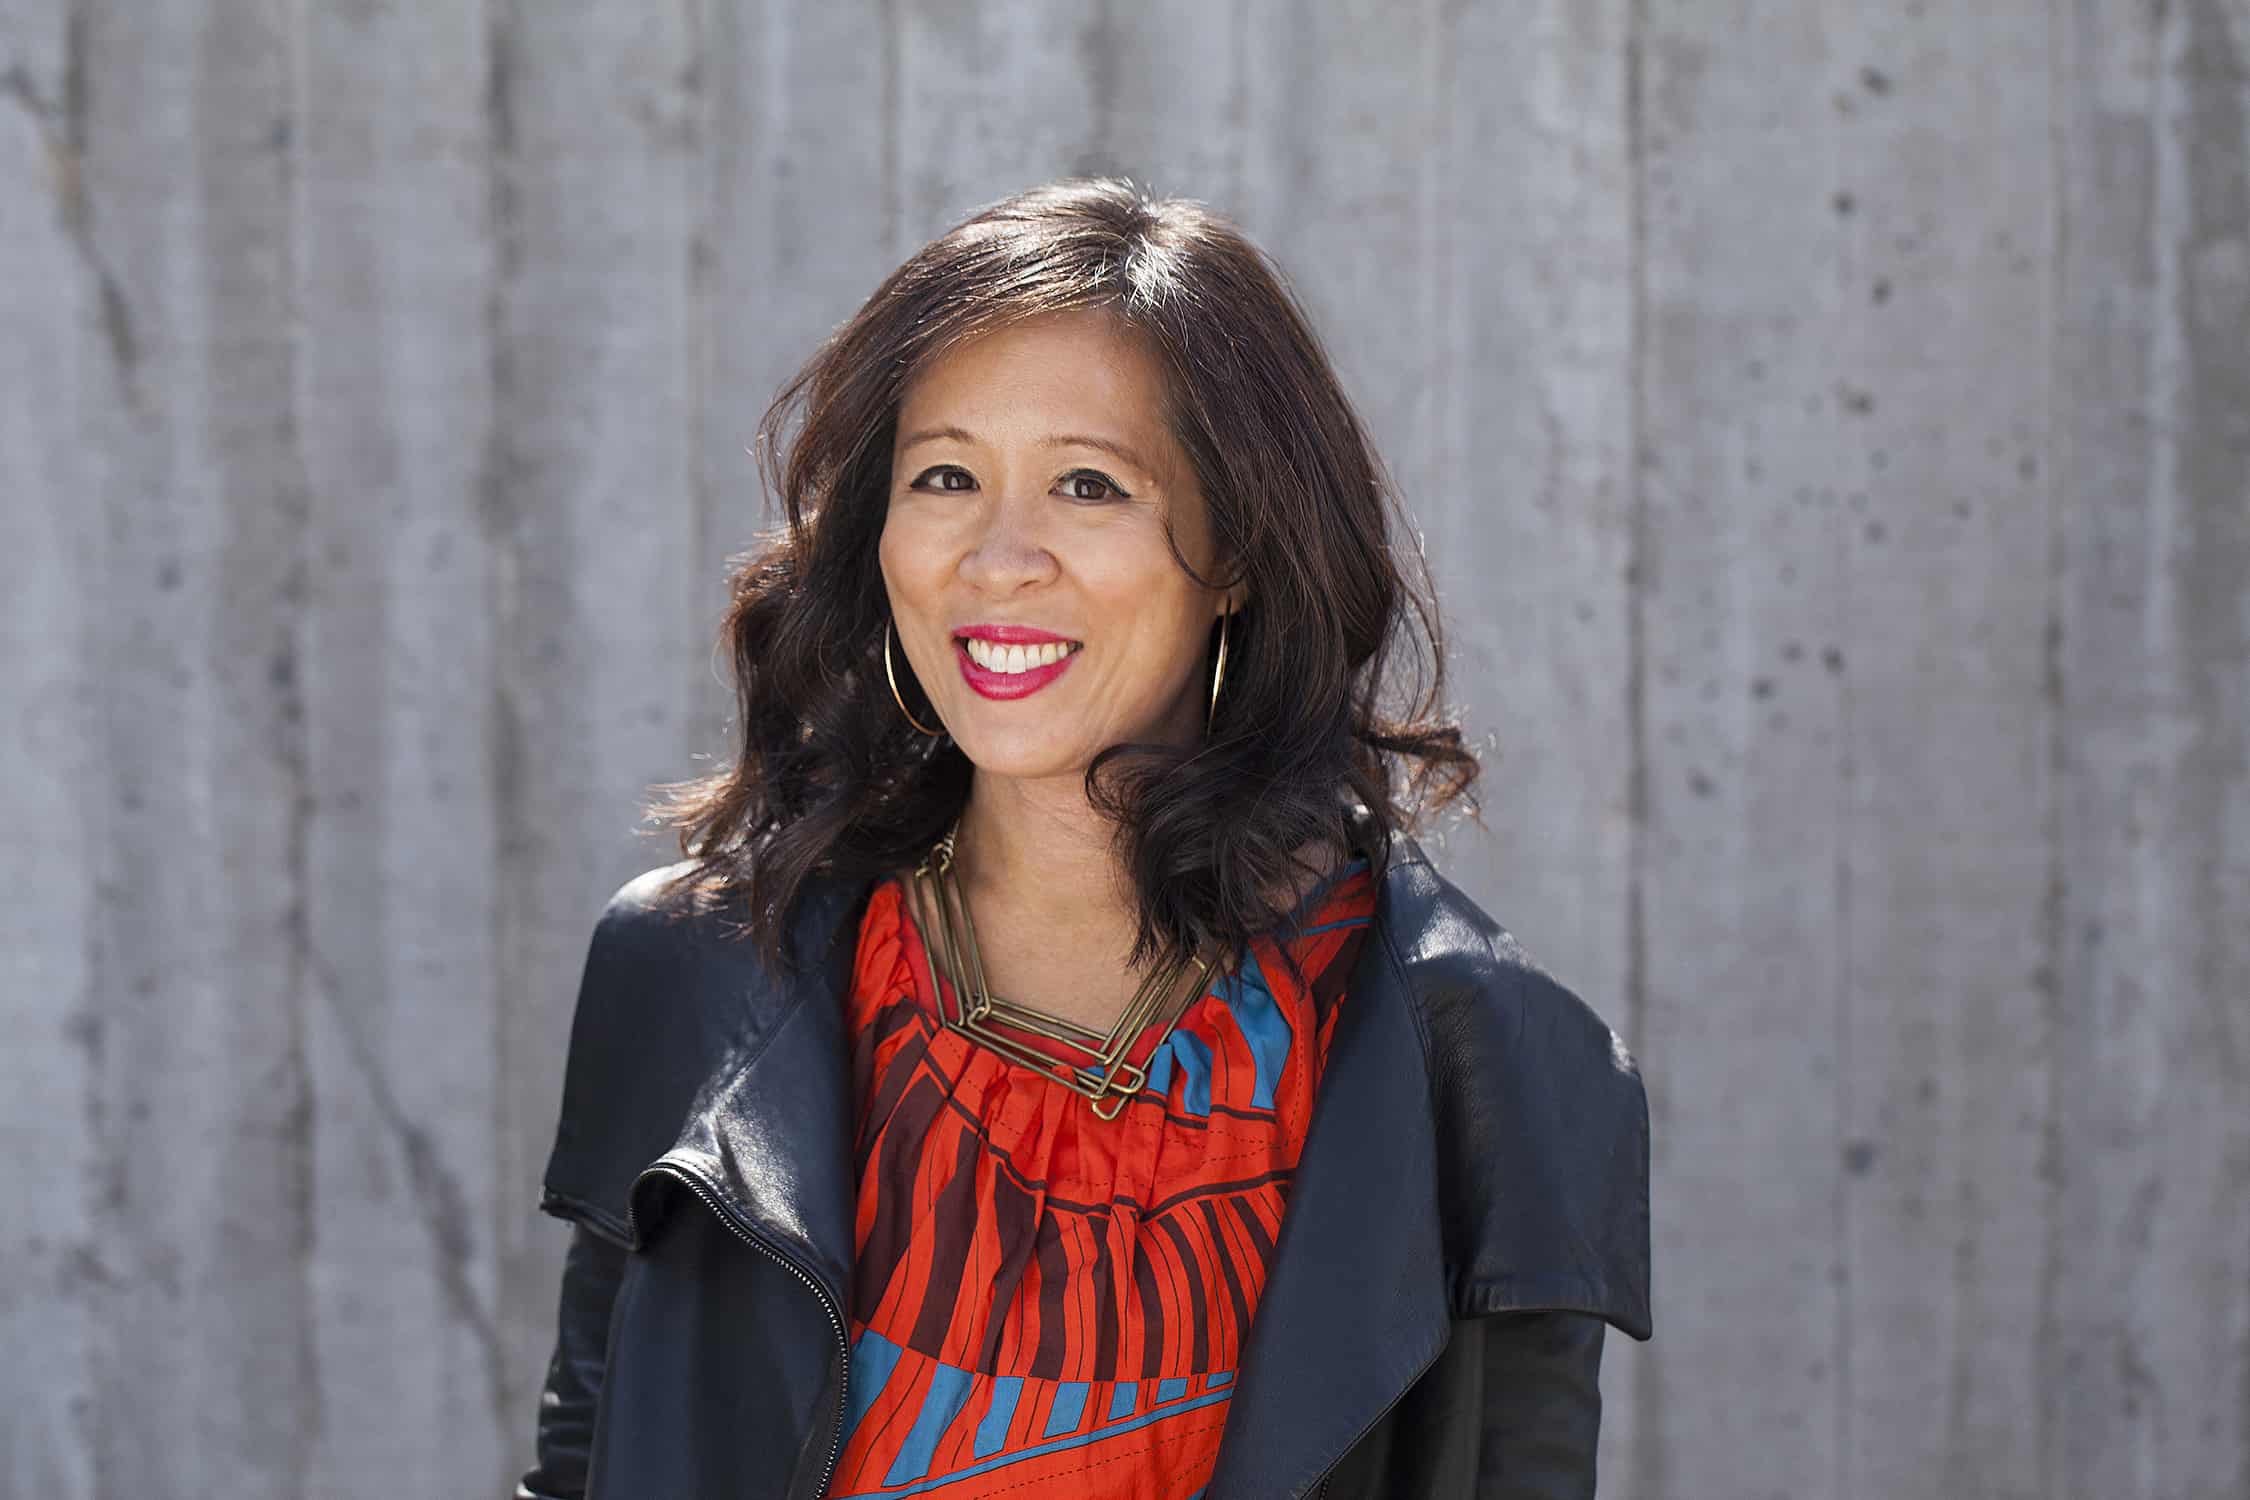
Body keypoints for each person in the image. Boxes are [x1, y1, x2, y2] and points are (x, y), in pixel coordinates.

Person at [514, 177, 1651, 1500]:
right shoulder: (697, 972)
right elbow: (584, 1468)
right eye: (944, 475)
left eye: (1087, 486)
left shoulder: (1483, 1060)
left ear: (1234, 547)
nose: (998, 558)